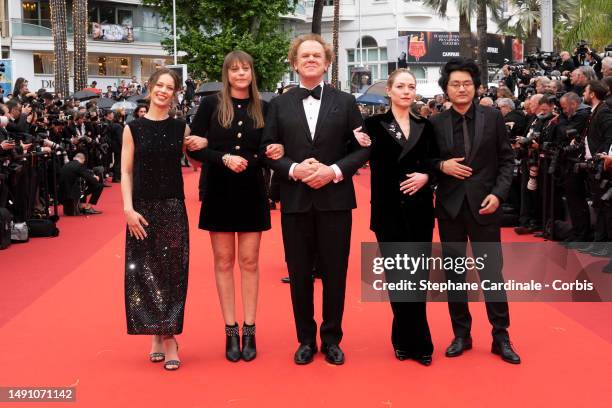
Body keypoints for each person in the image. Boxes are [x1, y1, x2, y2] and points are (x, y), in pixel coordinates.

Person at [261, 34, 370, 365]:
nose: (311, 59)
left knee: (336, 273)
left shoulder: (347, 102)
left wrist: (333, 170)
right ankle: (305, 339)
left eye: (317, 55)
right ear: (295, 63)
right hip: (295, 200)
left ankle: (332, 338)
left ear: (326, 63)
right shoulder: (278, 105)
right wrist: (293, 168)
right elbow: (268, 150)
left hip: (335, 200)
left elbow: (362, 148)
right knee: (299, 274)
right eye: (304, 55)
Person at [187, 50, 283, 362]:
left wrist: (252, 159)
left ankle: (250, 328)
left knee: (250, 262)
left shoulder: (265, 108)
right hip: (219, 190)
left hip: (252, 190)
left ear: (252, 74)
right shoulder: (211, 104)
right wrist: (222, 157)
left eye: (245, 69)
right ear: (226, 73)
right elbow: (194, 148)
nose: (240, 74)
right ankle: (230, 330)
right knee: (224, 261)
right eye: (234, 69)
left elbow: (271, 151)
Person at [430, 58, 521, 364]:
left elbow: (507, 160)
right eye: (455, 84)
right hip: (450, 207)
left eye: (467, 83)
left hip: (486, 206)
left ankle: (501, 335)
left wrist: (498, 194)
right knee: (454, 275)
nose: (461, 88)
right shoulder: (435, 123)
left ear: (476, 87)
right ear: (446, 89)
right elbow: (424, 162)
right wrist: (441, 165)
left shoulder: (492, 117)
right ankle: (461, 334)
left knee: (491, 273)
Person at [121, 67, 199, 371]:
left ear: (176, 93)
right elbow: (125, 171)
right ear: (150, 88)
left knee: (172, 272)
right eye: (160, 85)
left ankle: (168, 337)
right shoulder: (133, 128)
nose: (164, 91)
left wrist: (203, 145)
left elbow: (195, 158)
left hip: (172, 207)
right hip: (141, 208)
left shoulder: (182, 128)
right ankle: (155, 332)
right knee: (144, 272)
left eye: (171, 87)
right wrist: (128, 209)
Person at [360, 69, 437, 365]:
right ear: (389, 91)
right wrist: (355, 142)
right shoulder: (373, 125)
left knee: (417, 277)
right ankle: (406, 338)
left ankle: (416, 340)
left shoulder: (425, 125)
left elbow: (434, 161)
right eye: (401, 86)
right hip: (388, 209)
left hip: (419, 209)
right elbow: (354, 154)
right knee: (397, 278)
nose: (407, 91)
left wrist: (426, 176)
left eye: (411, 87)